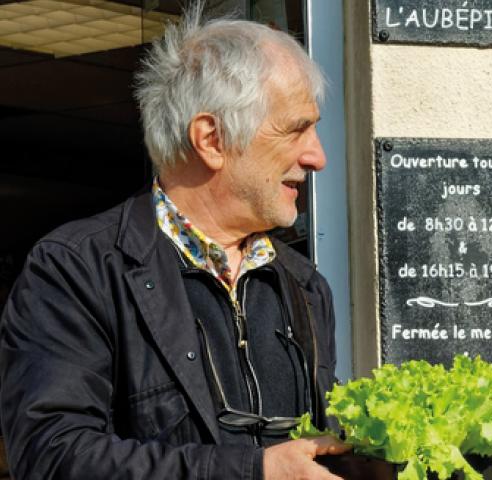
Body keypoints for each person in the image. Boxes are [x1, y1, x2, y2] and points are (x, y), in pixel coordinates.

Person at [0, 3, 349, 479]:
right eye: (295, 130)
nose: (317, 156)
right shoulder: (78, 269)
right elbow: (53, 457)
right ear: (211, 139)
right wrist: (253, 472)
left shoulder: (303, 284)